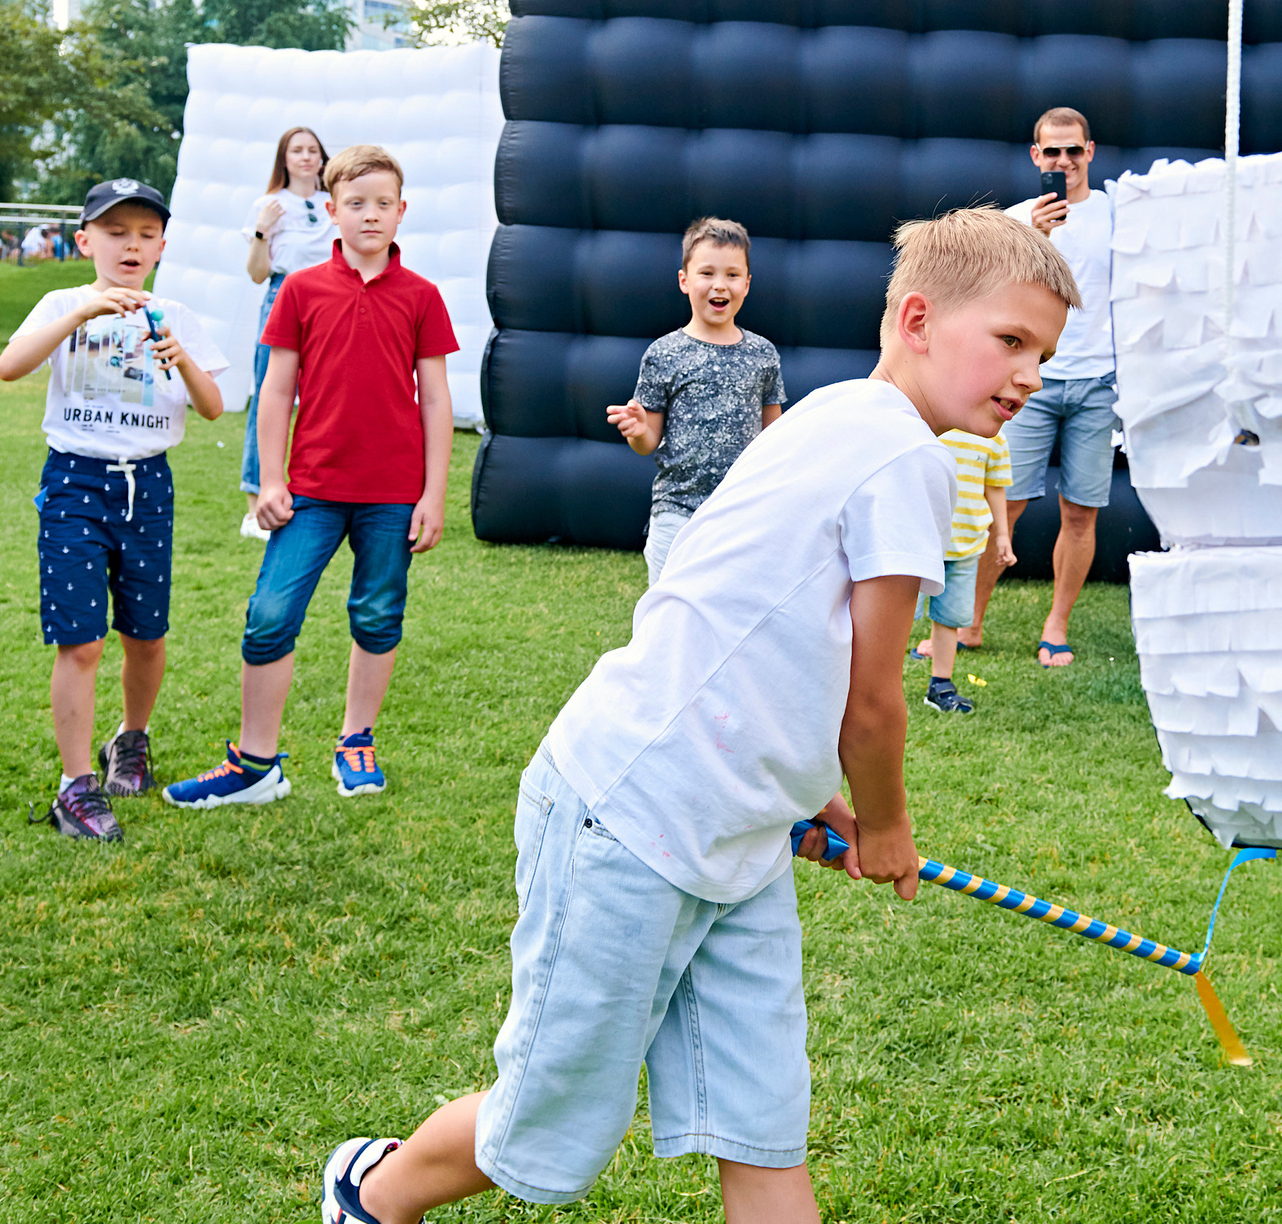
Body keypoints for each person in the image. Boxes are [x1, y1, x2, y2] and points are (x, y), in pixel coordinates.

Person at [314, 207, 1078, 1224]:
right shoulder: (903, 459)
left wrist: (808, 799)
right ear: (919, 317)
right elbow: (871, 698)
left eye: (1045, 354)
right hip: (630, 816)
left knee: (761, 1125)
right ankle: (373, 1194)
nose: (1029, 375)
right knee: (547, 1123)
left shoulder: (835, 415)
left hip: (740, 835)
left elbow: (769, 640)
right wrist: (886, 822)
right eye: (1011, 342)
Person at [164, 144, 456, 810]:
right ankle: (255, 763)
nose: (370, 215)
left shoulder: (423, 297)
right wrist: (270, 481)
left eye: (384, 203)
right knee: (270, 615)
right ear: (331, 212)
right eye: (356, 203)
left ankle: (356, 739)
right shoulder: (299, 289)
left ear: (402, 211)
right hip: (311, 491)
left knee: (378, 613)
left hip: (392, 494)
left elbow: (435, 400)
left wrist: (433, 494)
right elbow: (275, 392)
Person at [0, 178, 226, 842]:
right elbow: (10, 366)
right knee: (82, 638)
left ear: (161, 244)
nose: (131, 244)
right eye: (116, 231)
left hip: (147, 484)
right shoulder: (61, 301)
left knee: (146, 633)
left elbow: (212, 407)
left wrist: (180, 358)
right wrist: (79, 315)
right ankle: (76, 786)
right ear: (84, 239)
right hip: (75, 480)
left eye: (146, 233)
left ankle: (131, 737)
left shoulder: (175, 312)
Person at [973, 107, 1116, 667]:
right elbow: (990, 297)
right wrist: (1034, 239)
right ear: (1036, 157)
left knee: (1081, 512)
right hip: (1027, 382)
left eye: (1073, 151)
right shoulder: (1015, 219)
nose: (1064, 162)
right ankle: (968, 622)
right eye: (1052, 152)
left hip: (1098, 380)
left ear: (1090, 152)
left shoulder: (1116, 214)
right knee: (1002, 507)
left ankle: (1056, 625)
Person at [605, 217, 786, 583]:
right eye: (707, 273)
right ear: (684, 280)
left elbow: (775, 439)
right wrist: (638, 430)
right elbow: (648, 443)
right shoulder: (663, 354)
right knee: (668, 622)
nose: (720, 285)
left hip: (743, 515)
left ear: (747, 284)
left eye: (732, 275)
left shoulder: (763, 355)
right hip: (677, 511)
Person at [237, 126, 336, 539]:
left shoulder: (335, 203)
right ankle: (256, 503)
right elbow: (257, 272)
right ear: (284, 158)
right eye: (297, 150)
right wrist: (262, 229)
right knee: (270, 397)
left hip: (332, 301)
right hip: (283, 298)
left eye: (313, 150)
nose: (306, 157)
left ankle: (322, 492)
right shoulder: (269, 204)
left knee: (329, 399)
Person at [911, 427, 1014, 714]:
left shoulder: (993, 436)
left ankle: (940, 686)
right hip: (917, 546)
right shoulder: (929, 426)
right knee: (898, 620)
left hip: (966, 547)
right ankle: (881, 686)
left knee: (950, 620)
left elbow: (995, 487)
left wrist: (1002, 535)